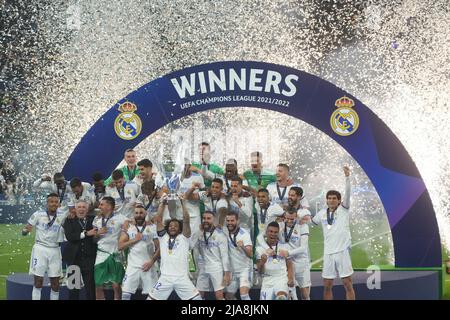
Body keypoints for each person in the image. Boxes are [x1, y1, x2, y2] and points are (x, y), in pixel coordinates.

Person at [311, 166, 355, 300]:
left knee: (347, 283)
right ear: (326, 200)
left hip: (342, 251)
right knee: (327, 285)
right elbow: (310, 221)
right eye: (329, 198)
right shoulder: (321, 213)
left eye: (334, 198)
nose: (331, 200)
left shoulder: (343, 209)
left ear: (339, 200)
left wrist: (347, 177)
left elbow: (348, 192)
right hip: (328, 252)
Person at [148, 196, 202, 300]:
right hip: (165, 278)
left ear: (180, 229)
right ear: (167, 228)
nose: (172, 227)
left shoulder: (184, 238)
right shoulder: (163, 237)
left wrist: (183, 202)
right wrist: (163, 203)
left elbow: (186, 220)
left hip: (181, 278)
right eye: (170, 226)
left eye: (175, 226)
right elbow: (158, 219)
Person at [22, 193, 66, 300]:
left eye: (56, 202)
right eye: (51, 202)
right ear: (47, 203)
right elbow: (25, 230)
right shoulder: (38, 214)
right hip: (40, 249)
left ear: (59, 204)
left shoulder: (62, 215)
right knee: (38, 282)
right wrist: (25, 231)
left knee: (55, 284)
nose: (54, 204)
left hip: (55, 250)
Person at [119, 205, 160, 300]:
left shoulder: (153, 227)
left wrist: (151, 262)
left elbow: (159, 248)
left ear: (145, 214)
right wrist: (134, 240)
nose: (139, 215)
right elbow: (120, 246)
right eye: (136, 213)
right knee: (125, 294)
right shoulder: (128, 227)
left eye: (141, 213)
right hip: (132, 266)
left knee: (153, 295)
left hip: (148, 266)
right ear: (133, 215)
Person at [92, 196, 129, 300]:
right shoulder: (96, 219)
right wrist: (97, 234)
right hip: (101, 254)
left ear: (109, 206)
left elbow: (131, 226)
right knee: (98, 285)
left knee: (116, 286)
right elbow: (94, 240)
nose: (99, 206)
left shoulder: (122, 218)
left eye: (102, 204)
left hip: (116, 254)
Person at [63, 200, 97, 300]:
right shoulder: (69, 220)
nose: (81, 209)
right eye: (79, 207)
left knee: (90, 288)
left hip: (89, 259)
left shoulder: (93, 220)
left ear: (87, 209)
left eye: (84, 207)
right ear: (75, 209)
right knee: (73, 288)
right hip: (74, 259)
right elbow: (70, 237)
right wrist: (86, 234)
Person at [193, 211, 230, 300]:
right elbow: (191, 245)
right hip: (203, 267)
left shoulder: (220, 235)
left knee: (219, 295)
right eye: (204, 218)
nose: (206, 220)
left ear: (214, 220)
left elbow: (225, 256)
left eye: (208, 218)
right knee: (198, 294)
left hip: (216, 267)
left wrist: (226, 274)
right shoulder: (200, 233)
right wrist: (198, 232)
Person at [256, 221, 294, 300]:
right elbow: (259, 271)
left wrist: (290, 278)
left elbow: (289, 265)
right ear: (266, 232)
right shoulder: (260, 249)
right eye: (271, 231)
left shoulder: (285, 246)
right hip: (267, 280)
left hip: (281, 278)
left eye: (275, 232)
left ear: (278, 233)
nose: (273, 234)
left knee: (281, 297)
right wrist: (262, 262)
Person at [278, 209, 311, 300]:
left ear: (296, 217)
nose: (289, 221)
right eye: (287, 218)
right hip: (287, 262)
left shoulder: (303, 226)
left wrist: (288, 252)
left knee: (304, 293)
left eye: (292, 219)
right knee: (290, 290)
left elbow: (303, 248)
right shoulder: (280, 225)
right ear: (284, 217)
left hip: (301, 261)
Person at [220, 211, 253, 300]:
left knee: (243, 294)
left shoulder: (244, 234)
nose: (230, 223)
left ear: (237, 221)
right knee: (228, 296)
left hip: (244, 269)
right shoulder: (224, 231)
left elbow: (250, 254)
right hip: (231, 271)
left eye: (232, 221)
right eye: (228, 221)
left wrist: (243, 247)